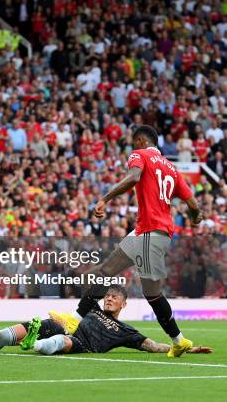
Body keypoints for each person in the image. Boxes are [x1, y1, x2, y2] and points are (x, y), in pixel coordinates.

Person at [49, 125, 203, 358]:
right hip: (145, 231)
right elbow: (194, 206)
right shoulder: (173, 169)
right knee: (103, 272)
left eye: (134, 143)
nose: (132, 148)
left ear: (141, 141)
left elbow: (133, 177)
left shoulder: (139, 155)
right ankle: (74, 320)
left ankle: (179, 340)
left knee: (152, 293)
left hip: (152, 232)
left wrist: (105, 198)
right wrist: (195, 220)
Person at [0, 285, 212, 356]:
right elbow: (90, 291)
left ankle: (32, 343)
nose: (109, 299)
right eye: (108, 296)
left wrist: (187, 349)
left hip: (78, 342)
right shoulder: (91, 307)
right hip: (57, 326)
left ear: (124, 304)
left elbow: (155, 346)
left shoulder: (126, 331)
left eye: (115, 297)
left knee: (53, 344)